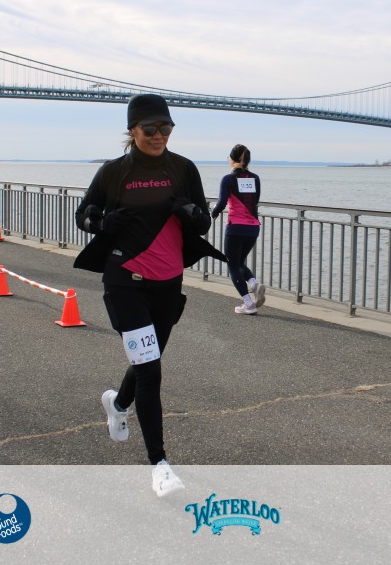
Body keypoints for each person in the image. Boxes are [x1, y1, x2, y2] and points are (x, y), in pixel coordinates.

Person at [73, 93, 225, 497]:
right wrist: (102, 222)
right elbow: (83, 215)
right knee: (150, 371)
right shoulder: (114, 172)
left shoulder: (183, 169)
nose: (159, 136)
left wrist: (192, 215)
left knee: (148, 359)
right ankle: (160, 466)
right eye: (150, 129)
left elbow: (203, 221)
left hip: (169, 283)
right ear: (133, 130)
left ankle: (118, 404)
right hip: (125, 281)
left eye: (166, 128)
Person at [210, 144, 266, 315]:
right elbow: (255, 201)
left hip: (236, 227)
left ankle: (248, 303)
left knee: (232, 264)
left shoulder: (228, 179)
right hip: (253, 228)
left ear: (232, 159)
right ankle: (255, 285)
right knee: (239, 262)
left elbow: (221, 203)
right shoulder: (255, 178)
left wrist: (213, 213)